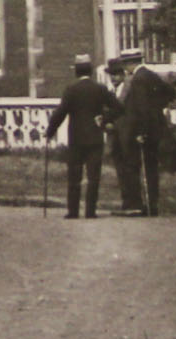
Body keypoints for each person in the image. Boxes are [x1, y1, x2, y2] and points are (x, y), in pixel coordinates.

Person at [46, 54, 122, 220]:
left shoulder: (71, 89)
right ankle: (90, 211)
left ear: (77, 71)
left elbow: (60, 113)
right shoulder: (100, 89)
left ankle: (73, 211)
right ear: (91, 70)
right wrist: (105, 118)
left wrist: (50, 131)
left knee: (74, 175)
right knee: (93, 176)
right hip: (95, 138)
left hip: (76, 139)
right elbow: (118, 108)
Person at [119, 61, 176, 216]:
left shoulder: (138, 79)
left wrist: (142, 132)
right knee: (151, 167)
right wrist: (157, 107)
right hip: (156, 128)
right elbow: (170, 92)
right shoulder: (151, 75)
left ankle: (139, 205)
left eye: (125, 65)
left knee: (136, 166)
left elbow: (142, 108)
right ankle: (153, 203)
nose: (125, 69)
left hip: (143, 130)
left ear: (131, 64)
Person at [105, 54, 144, 215]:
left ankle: (136, 204)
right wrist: (107, 124)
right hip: (115, 136)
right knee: (120, 170)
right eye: (111, 75)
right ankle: (126, 203)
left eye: (116, 74)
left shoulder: (129, 90)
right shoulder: (111, 92)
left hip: (129, 135)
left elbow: (135, 112)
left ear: (122, 74)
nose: (113, 78)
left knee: (131, 169)